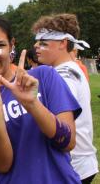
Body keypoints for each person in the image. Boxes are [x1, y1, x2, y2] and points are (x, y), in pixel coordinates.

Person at [0, 12, 82, 183]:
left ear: (12, 45)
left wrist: (32, 104)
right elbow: (2, 165)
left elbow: (68, 142)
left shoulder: (44, 77)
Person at [33, 13, 98, 184]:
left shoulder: (63, 75)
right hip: (81, 162)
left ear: (63, 43)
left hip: (72, 165)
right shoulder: (70, 69)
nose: (36, 46)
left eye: (43, 42)